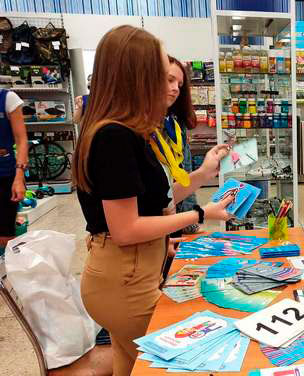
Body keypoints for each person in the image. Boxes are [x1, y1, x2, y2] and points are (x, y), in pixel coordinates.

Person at [72, 25, 234, 376]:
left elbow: (153, 202)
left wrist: (203, 175)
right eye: (161, 75)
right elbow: (127, 228)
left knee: (130, 364)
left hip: (131, 272)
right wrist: (200, 212)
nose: (171, 86)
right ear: (138, 75)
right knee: (181, 363)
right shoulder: (113, 137)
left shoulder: (124, 130)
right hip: (124, 280)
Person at [165, 55, 199, 235]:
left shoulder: (174, 123)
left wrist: (190, 218)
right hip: (155, 232)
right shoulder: (124, 132)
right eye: (169, 80)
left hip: (173, 223)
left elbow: (184, 172)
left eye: (179, 85)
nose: (174, 89)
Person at [0, 89, 27, 257]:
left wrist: (19, 177)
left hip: (4, 175)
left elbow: (21, 140)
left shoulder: (8, 99)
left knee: (5, 234)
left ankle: (8, 277)